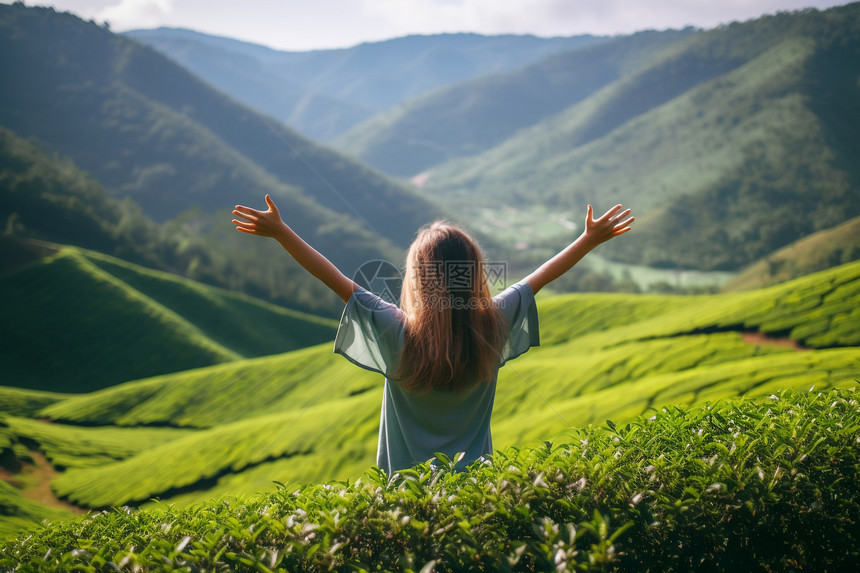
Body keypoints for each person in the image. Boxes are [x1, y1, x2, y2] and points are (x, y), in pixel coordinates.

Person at [232, 195, 633, 475]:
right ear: (473, 273)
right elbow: (540, 277)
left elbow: (333, 278)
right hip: (478, 494)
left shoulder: (396, 331)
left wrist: (282, 232)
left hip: (402, 502)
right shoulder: (493, 324)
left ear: (418, 279)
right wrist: (589, 239)